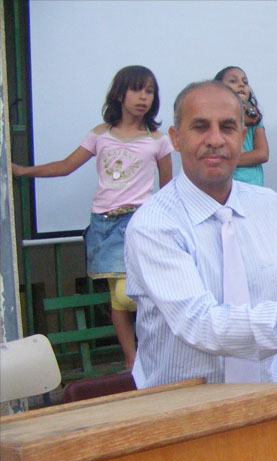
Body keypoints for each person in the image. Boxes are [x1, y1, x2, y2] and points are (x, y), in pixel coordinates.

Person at [124, 80, 277, 389]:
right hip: (181, 408)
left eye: (228, 127)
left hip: (264, 396)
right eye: (200, 127)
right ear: (176, 138)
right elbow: (199, 324)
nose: (215, 140)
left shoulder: (272, 208)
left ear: (242, 136)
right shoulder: (154, 223)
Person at [11, 65, 173, 371]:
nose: (144, 97)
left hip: (137, 222)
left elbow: (167, 189)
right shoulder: (100, 134)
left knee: (127, 296)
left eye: (150, 91)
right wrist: (23, 171)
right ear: (120, 94)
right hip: (103, 224)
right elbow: (66, 166)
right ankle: (131, 359)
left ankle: (155, 350)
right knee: (117, 296)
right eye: (137, 89)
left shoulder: (158, 140)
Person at [214, 66, 269, 186]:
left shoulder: (255, 121)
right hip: (225, 185)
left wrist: (227, 160)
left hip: (253, 186)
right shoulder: (214, 119)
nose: (241, 85)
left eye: (245, 82)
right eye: (233, 81)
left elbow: (262, 154)